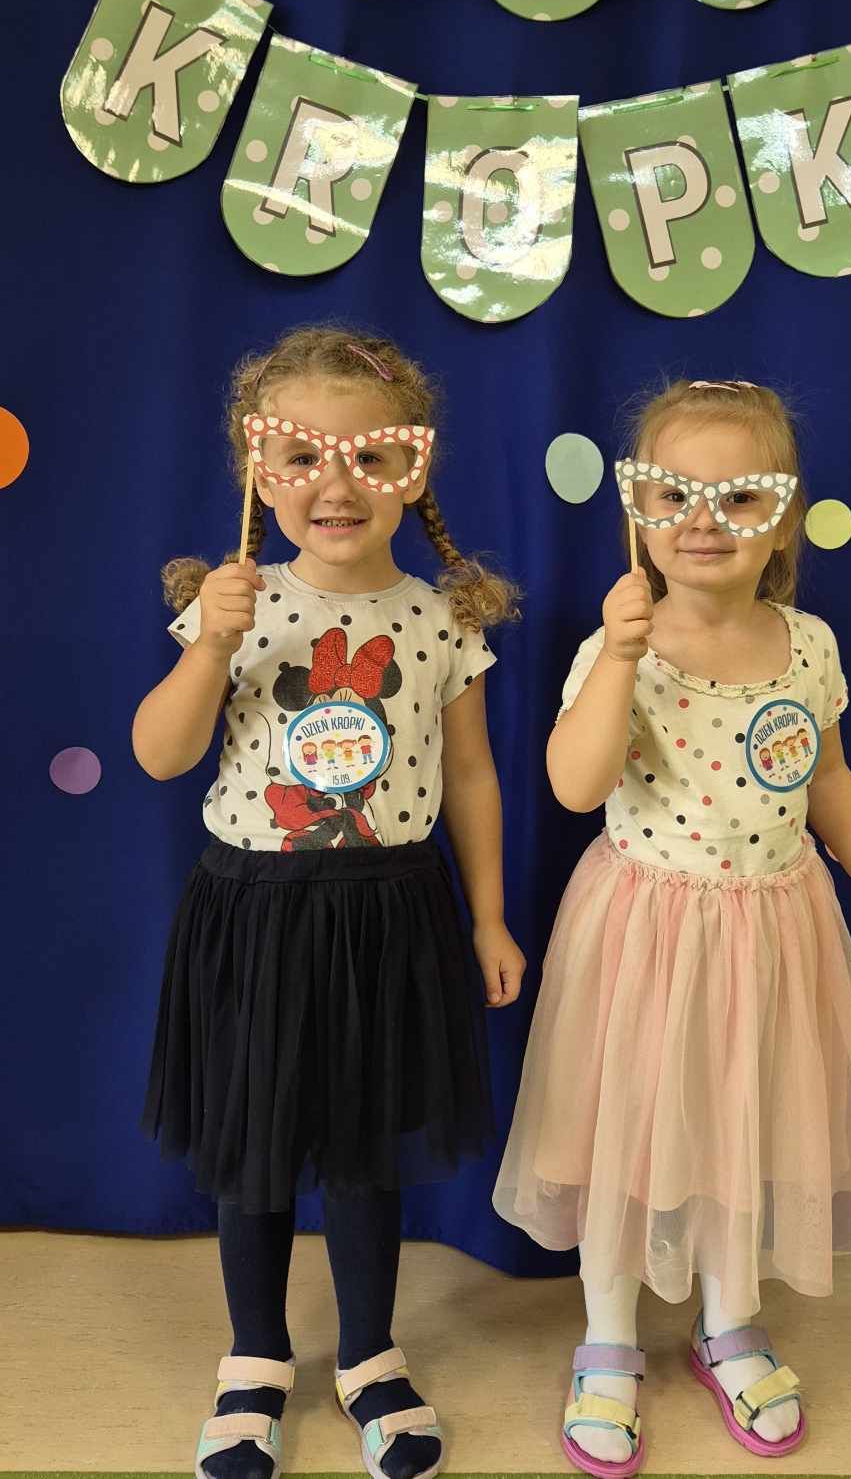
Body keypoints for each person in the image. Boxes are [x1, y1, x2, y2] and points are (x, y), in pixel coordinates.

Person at [493, 377, 851, 1473]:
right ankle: (607, 1337)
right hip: (644, 934)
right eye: (672, 493)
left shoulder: (808, 643)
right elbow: (575, 784)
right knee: (623, 1133)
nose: (703, 519)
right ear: (636, 509)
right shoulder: (622, 649)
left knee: (746, 1122)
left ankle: (729, 1321)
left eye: (740, 496)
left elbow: (828, 776)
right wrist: (618, 657)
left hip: (773, 933)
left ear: (781, 516)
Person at [134, 324, 525, 1479]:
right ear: (259, 475)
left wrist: (488, 917)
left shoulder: (443, 619)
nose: (336, 485)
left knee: (365, 1152)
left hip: (389, 913)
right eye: (302, 457)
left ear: (413, 471)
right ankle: (254, 1358)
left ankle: (367, 1354)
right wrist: (211, 647)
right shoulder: (237, 605)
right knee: (251, 1145)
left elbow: (471, 777)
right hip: (254, 912)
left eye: (369, 456)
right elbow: (160, 754)